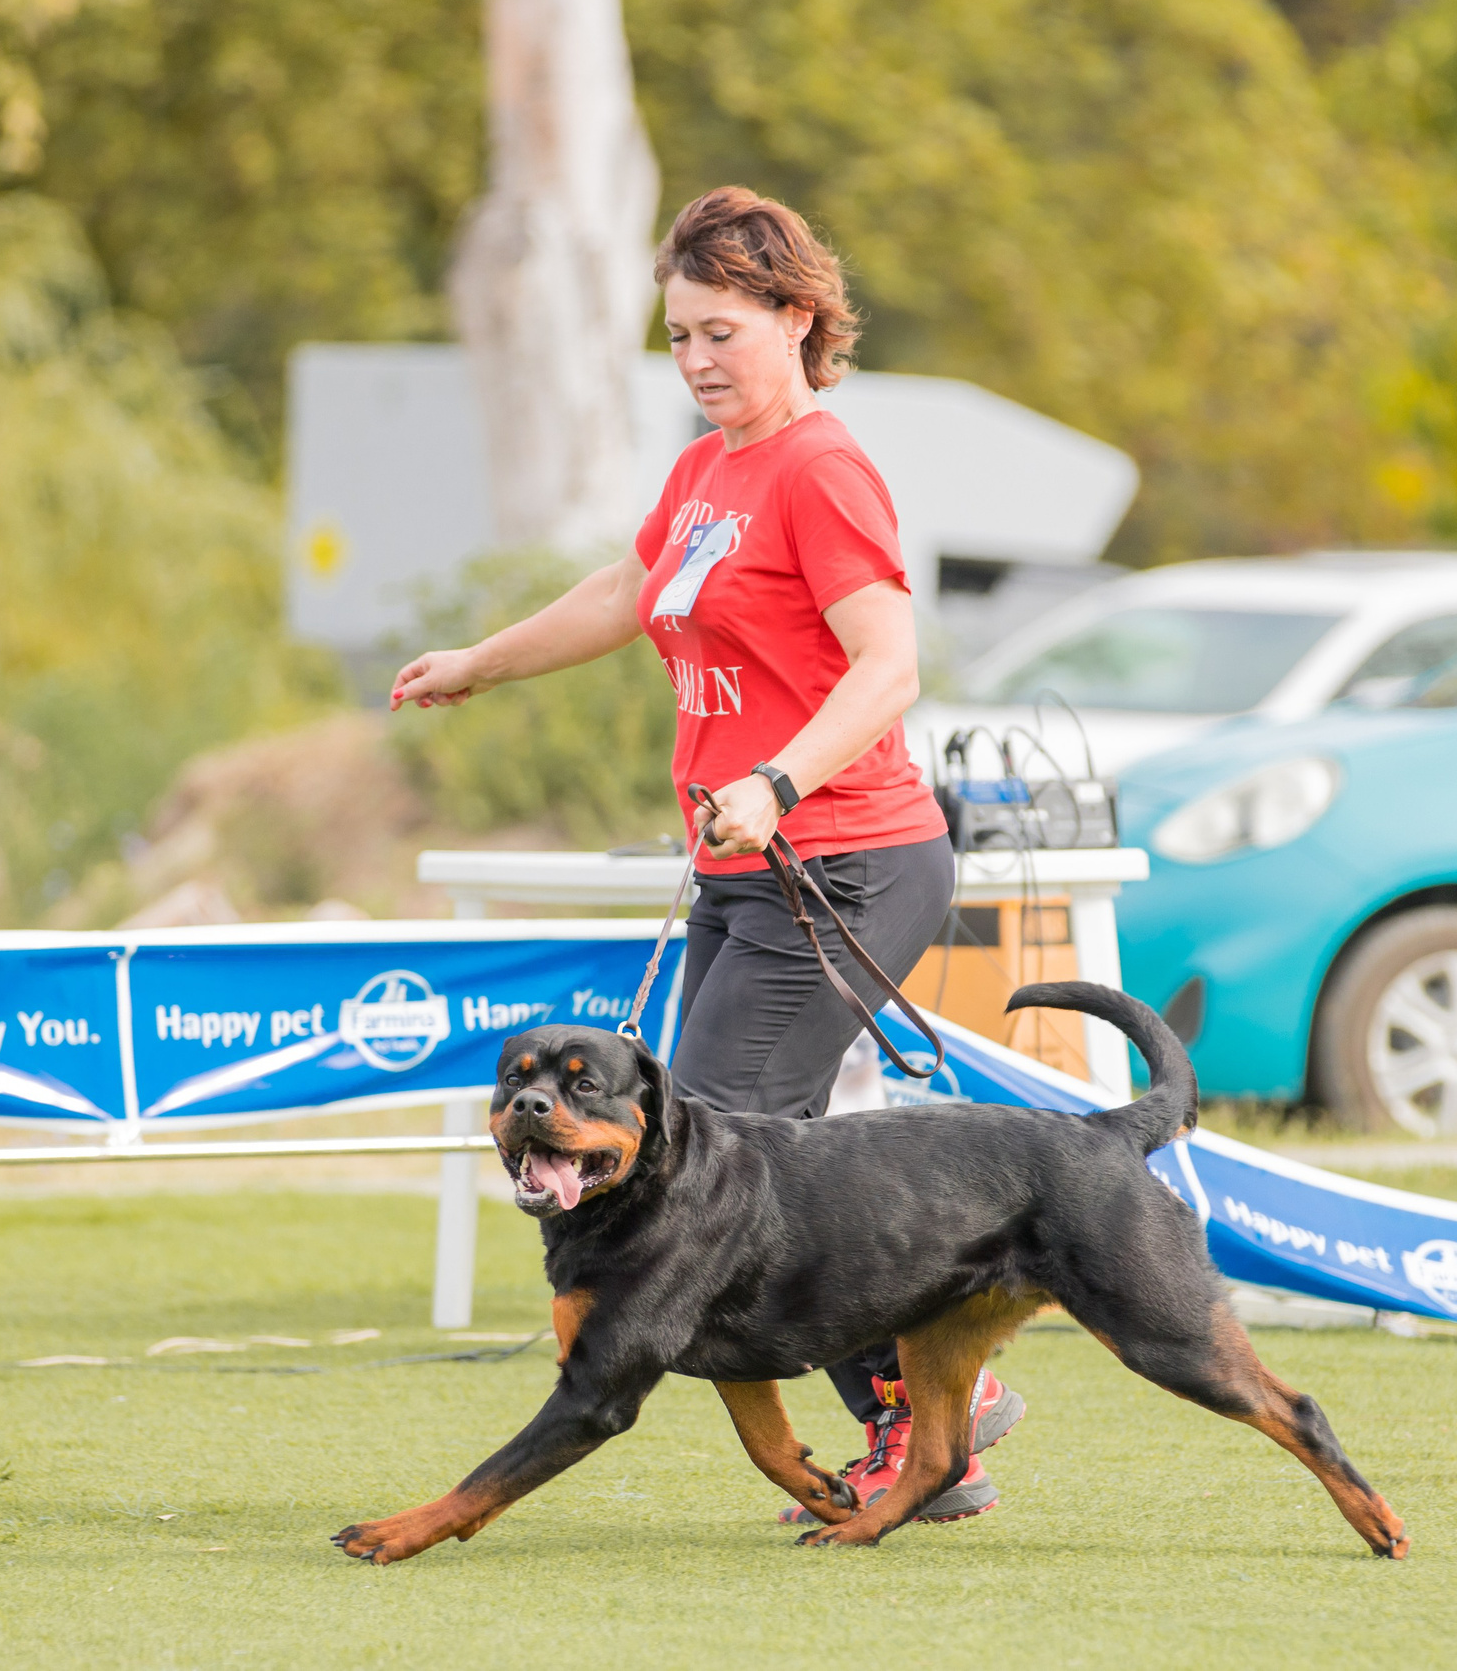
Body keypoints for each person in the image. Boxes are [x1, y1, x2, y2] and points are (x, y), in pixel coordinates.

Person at [390, 186, 1024, 1523]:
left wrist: (781, 778)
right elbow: (628, 596)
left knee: (717, 1159)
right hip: (743, 871)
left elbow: (890, 666)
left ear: (799, 318)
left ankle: (926, 1429)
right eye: (677, 337)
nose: (695, 362)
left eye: (722, 332)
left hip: (844, 860)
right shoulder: (706, 470)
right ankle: (907, 1414)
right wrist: (478, 666)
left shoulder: (821, 466)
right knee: (743, 1158)